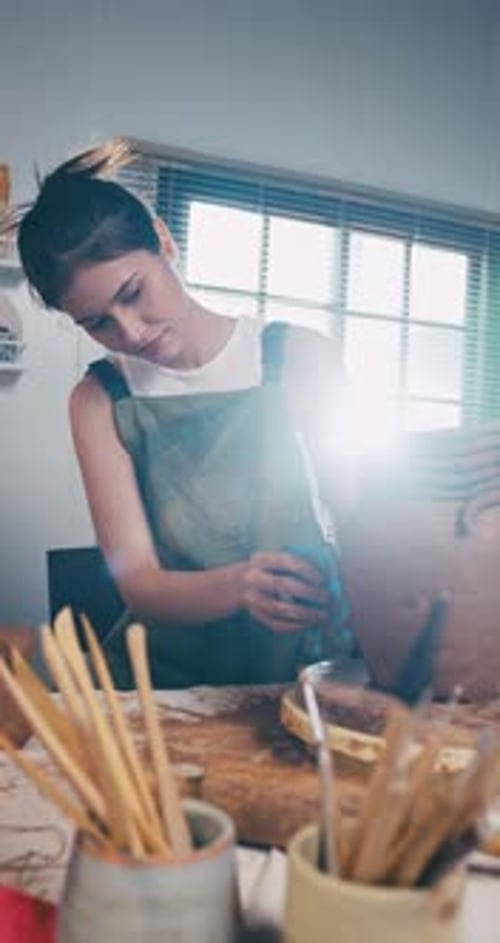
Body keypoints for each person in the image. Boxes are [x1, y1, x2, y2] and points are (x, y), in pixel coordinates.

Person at [12, 139, 353, 688]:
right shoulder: (99, 399)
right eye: (97, 323)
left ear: (164, 242)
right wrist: (243, 584)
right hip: (163, 680)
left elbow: (362, 521)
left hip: (306, 667)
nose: (131, 332)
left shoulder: (298, 356)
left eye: (133, 292)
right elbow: (141, 586)